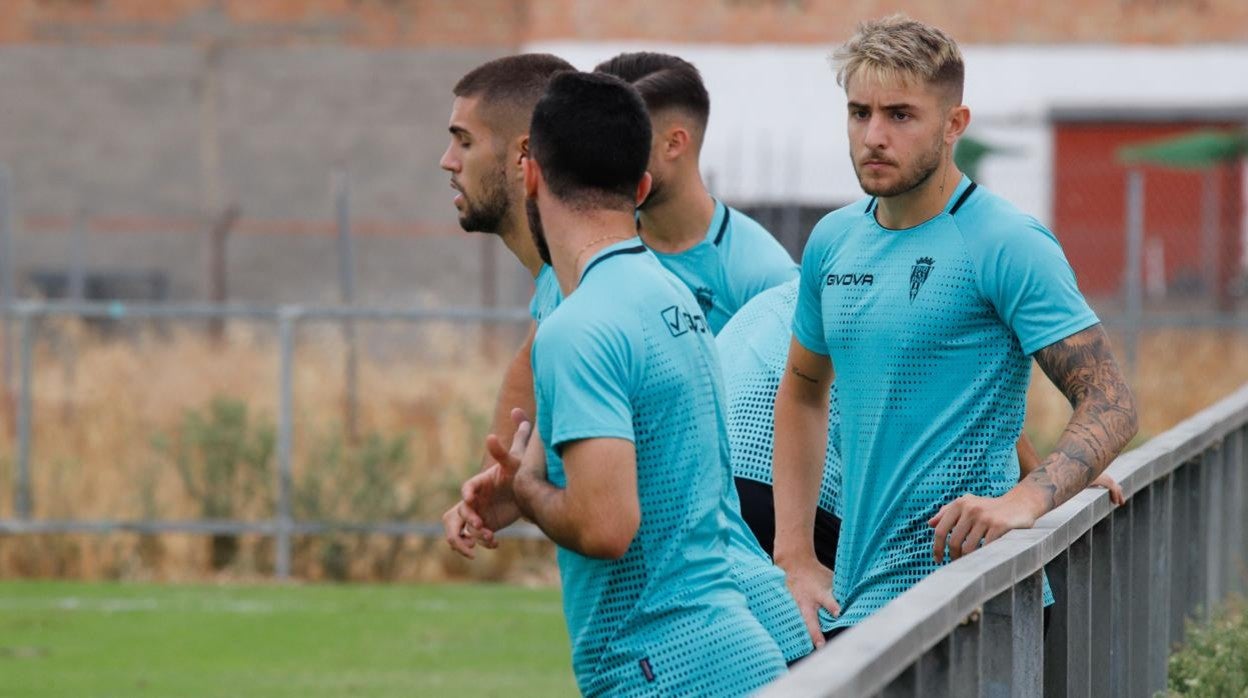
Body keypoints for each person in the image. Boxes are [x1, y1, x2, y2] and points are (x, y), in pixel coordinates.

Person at [771, 15, 1139, 645]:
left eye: (900, 115)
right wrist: (795, 557)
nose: (874, 135)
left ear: (953, 125)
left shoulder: (1007, 242)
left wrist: (1030, 495)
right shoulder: (833, 240)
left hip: (979, 599)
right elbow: (803, 394)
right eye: (859, 113)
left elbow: (1112, 401)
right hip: (857, 603)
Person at [437, 56, 812, 667]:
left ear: (527, 164)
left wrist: (799, 554)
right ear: (638, 188)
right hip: (748, 633)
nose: (448, 161)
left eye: (463, 140)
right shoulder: (650, 289)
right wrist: (514, 486)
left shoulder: (593, 317)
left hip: (674, 655)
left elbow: (608, 525)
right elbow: (537, 384)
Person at [719, 279, 1126, 632]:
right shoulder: (886, 302)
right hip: (788, 473)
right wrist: (1049, 476)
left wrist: (1049, 474)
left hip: (719, 475)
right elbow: (970, 402)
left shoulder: (795, 291)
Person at [595, 52, 798, 334]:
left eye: (622, 138)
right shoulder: (594, 249)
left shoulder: (765, 277)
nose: (603, 156)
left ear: (673, 144)